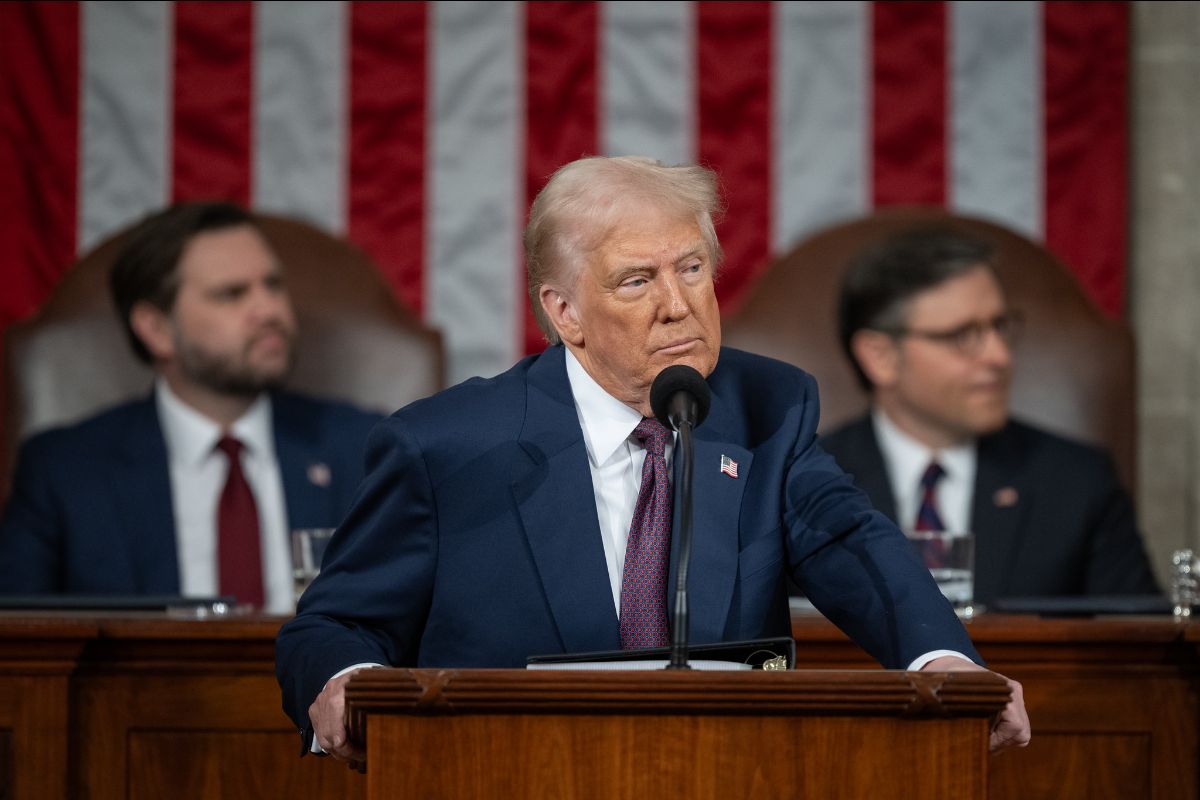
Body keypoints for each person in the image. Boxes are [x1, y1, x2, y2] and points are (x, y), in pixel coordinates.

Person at [275, 156, 1029, 760]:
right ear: (564, 312)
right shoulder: (447, 446)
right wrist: (350, 683)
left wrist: (944, 664)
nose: (678, 304)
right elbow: (331, 626)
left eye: (693, 269)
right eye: (638, 280)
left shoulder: (767, 409)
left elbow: (850, 542)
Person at [0, 202, 381, 614]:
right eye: (232, 294)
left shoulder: (363, 448)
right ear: (157, 329)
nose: (270, 311)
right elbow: (21, 653)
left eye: (273, 285)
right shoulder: (66, 472)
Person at [822, 229, 1159, 606]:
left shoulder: (1077, 482)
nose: (999, 356)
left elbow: (1142, 650)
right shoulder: (800, 484)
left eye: (1000, 327)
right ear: (880, 357)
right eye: (964, 335)